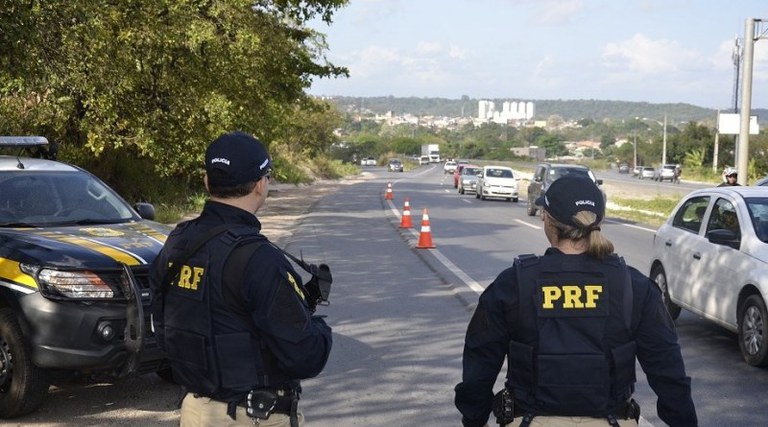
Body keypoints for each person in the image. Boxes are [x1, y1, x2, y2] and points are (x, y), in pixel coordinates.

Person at [454, 176, 697, 427]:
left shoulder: (513, 283)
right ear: (599, 222)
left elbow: (480, 362)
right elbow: (668, 370)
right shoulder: (633, 286)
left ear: (547, 220)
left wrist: (474, 418)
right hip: (612, 420)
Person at [150, 131, 332, 427]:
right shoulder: (257, 258)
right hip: (253, 417)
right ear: (261, 185)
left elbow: (163, 325)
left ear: (208, 182)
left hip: (195, 411)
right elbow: (306, 355)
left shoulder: (178, 242)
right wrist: (319, 328)